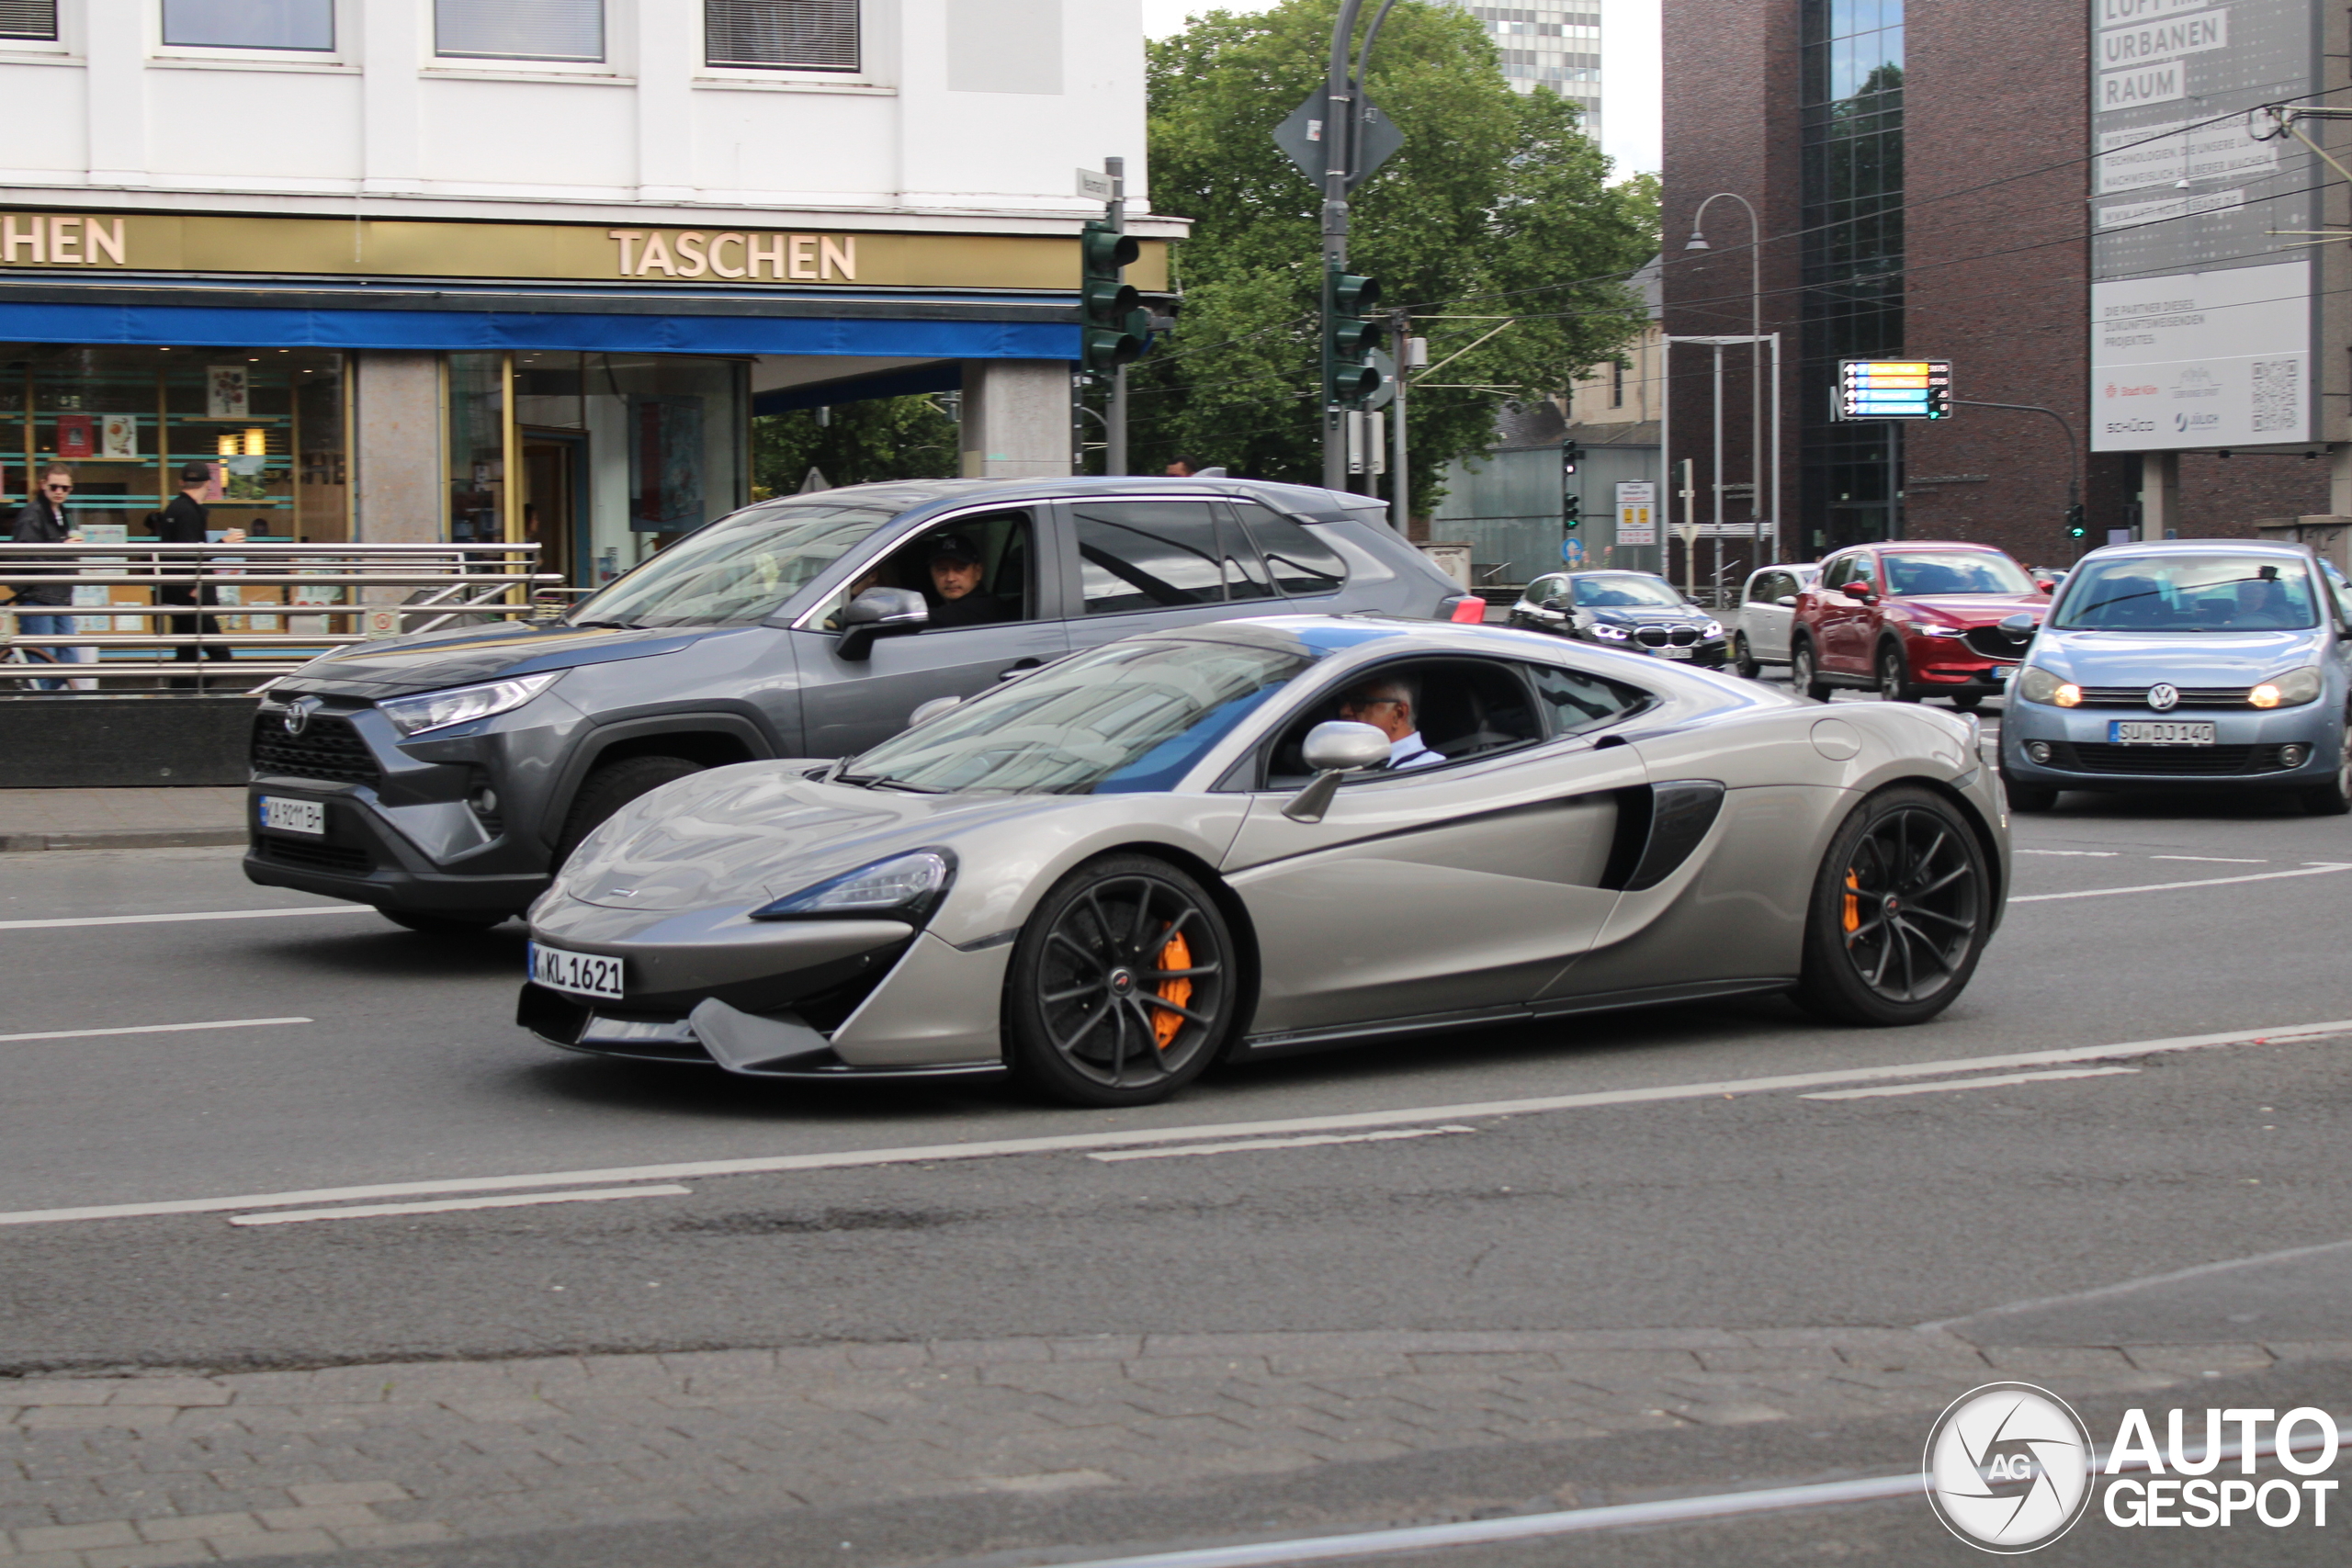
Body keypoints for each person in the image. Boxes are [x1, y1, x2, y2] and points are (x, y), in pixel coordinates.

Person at [154, 462, 243, 684]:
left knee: (186, 656)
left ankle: (178, 703)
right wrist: (224, 542)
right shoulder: (188, 512)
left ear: (181, 482)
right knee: (221, 656)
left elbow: (176, 554)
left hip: (178, 595)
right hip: (191, 596)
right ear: (208, 483)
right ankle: (193, 703)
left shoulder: (175, 508)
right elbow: (191, 554)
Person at [8, 464, 88, 690]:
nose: (59, 491)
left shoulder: (62, 514)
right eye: (54, 486)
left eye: (65, 488)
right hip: (38, 596)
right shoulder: (33, 513)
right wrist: (62, 547)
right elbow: (22, 556)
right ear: (43, 485)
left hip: (58, 595)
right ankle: (46, 716)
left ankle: (56, 714)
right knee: (46, 664)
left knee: (67, 661)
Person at [1337, 674, 1442, 769]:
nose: (1344, 711)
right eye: (1343, 699)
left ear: (1398, 714)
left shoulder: (1429, 771)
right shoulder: (1348, 761)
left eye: (1358, 702)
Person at [922, 534, 1012, 627]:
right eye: (942, 569)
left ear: (978, 572)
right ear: (931, 573)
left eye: (960, 569)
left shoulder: (986, 608)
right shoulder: (942, 605)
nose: (950, 578)